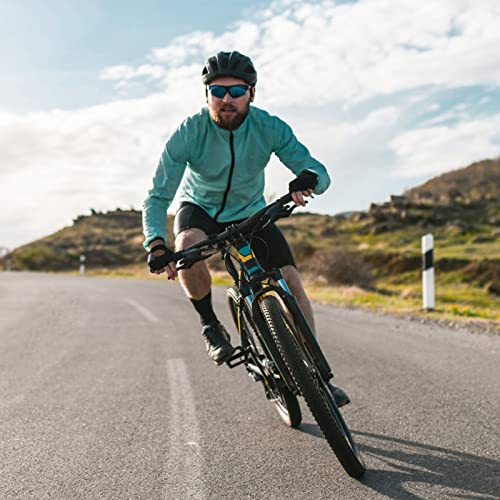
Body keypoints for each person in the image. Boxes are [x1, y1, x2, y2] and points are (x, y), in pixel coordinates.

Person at [142, 51, 349, 407]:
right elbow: (158, 196)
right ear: (205, 94)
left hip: (251, 213)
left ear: (251, 93)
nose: (226, 99)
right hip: (200, 210)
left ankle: (316, 374)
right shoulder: (190, 132)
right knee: (188, 245)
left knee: (291, 282)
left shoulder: (269, 127)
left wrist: (308, 178)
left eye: (236, 90)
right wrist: (156, 243)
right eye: (217, 91)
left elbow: (316, 169)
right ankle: (209, 323)